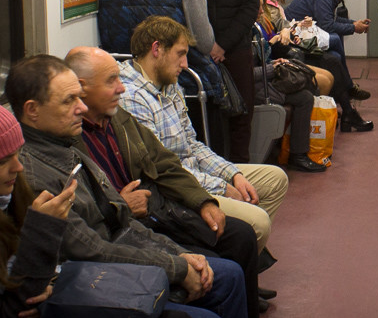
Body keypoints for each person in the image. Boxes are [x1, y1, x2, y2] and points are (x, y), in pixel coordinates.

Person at [0, 85, 217, 318]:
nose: (18, 167)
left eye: (16, 154)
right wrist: (42, 235)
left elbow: (43, 271)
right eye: (2, 161)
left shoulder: (6, 191)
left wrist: (49, 284)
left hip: (58, 293)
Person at [8, 56, 254, 318]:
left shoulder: (66, 144)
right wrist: (176, 267)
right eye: (69, 100)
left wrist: (180, 255)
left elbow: (124, 220)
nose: (82, 107)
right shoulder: (35, 176)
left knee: (228, 275)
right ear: (32, 111)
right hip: (97, 277)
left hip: (125, 247)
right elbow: (92, 250)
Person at [65, 47, 284, 318]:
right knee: (225, 267)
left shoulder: (118, 119)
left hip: (155, 210)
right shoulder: (69, 145)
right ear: (81, 87)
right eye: (111, 80)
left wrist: (203, 202)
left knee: (240, 235)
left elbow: (165, 161)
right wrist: (122, 206)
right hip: (133, 227)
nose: (121, 87)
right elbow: (90, 226)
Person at [118, 16, 289, 252]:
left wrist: (233, 174)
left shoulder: (169, 85)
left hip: (194, 173)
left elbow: (192, 144)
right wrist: (221, 186)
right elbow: (163, 171)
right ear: (156, 49)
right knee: (257, 222)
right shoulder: (132, 98)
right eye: (180, 53)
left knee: (274, 180)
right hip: (173, 189)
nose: (186, 64)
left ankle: (242, 253)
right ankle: (239, 251)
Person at [187, 0, 262, 163]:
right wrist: (206, 45)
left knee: (241, 113)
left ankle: (241, 167)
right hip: (202, 50)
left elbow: (249, 9)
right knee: (207, 111)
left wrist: (222, 45)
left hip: (236, 50)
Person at [284, 0, 373, 132]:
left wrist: (354, 23)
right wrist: (354, 28)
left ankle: (346, 107)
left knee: (334, 58)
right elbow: (328, 25)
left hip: (304, 37)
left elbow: (331, 19)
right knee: (335, 41)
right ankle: (348, 90)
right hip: (296, 41)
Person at [251, 1, 323, 173]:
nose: (262, 10)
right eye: (258, 6)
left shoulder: (254, 29)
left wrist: (274, 62)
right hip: (258, 87)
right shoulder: (247, 35)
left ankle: (297, 149)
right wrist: (273, 68)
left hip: (265, 80)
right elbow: (247, 74)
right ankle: (298, 154)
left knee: (310, 84)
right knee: (304, 97)